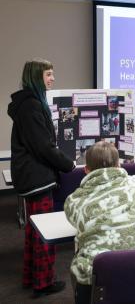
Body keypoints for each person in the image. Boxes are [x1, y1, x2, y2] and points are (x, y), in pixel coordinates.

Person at [8, 59, 75, 297]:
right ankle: (43, 283)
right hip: (37, 177)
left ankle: (31, 277)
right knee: (44, 231)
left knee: (34, 229)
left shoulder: (29, 103)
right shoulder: (32, 106)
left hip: (32, 175)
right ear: (36, 77)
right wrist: (70, 164)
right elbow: (43, 147)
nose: (53, 78)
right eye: (48, 74)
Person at [64, 141, 135, 304]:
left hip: (102, 277)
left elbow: (78, 225)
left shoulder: (74, 202)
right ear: (119, 165)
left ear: (86, 170)